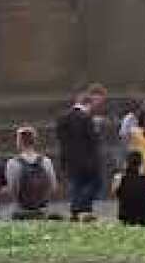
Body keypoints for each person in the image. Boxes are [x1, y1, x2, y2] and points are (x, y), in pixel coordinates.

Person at [55, 92, 102, 220]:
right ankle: (79, 207)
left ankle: (78, 211)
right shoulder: (86, 118)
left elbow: (60, 140)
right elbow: (93, 141)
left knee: (75, 185)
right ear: (87, 104)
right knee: (95, 184)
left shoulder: (62, 118)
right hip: (87, 160)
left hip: (69, 160)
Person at [3, 126, 57, 220]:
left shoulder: (12, 163)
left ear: (19, 142)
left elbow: (12, 189)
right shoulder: (46, 161)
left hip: (20, 210)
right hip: (42, 210)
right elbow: (53, 186)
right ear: (35, 141)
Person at [114, 151, 145, 226]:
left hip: (127, 219)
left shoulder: (121, 179)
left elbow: (114, 195)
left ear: (127, 164)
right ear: (141, 165)